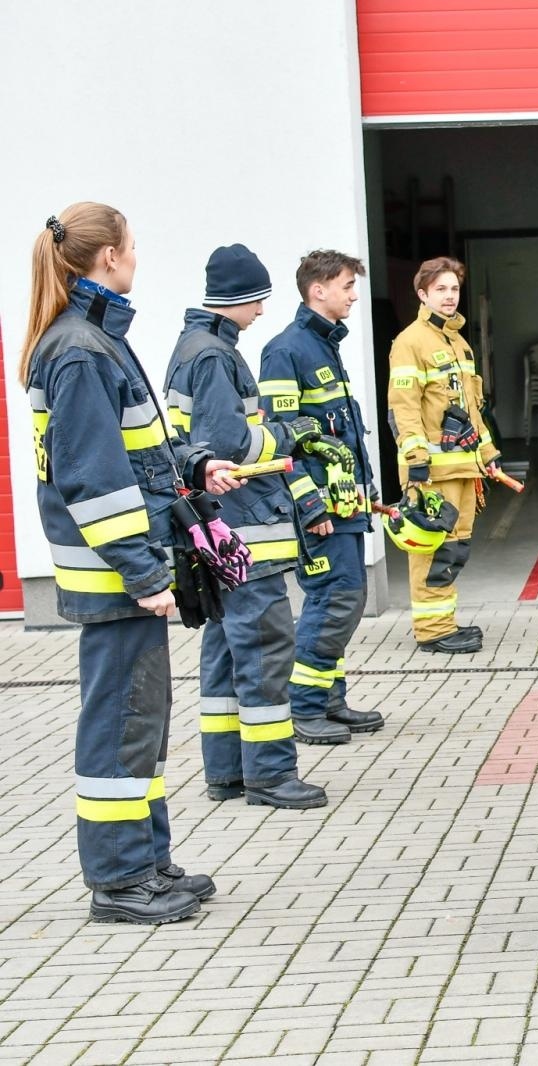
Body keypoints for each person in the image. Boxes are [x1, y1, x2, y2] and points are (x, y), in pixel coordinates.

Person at [22, 203, 242, 923]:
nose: (138, 255)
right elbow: (92, 477)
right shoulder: (82, 349)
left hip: (126, 576)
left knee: (140, 723)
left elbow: (137, 453)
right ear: (109, 256)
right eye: (134, 245)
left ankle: (147, 861)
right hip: (118, 580)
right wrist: (147, 577)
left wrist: (197, 465)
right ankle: (119, 882)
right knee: (121, 724)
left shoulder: (94, 340)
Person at [162, 244, 330, 809]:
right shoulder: (214, 356)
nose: (261, 310)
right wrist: (287, 434)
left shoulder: (192, 348)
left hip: (220, 533)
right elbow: (228, 444)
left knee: (226, 651)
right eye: (258, 299)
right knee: (263, 651)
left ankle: (228, 773)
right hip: (246, 532)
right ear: (238, 298)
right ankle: (271, 776)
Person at [259, 251, 386, 744]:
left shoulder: (323, 345)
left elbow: (341, 433)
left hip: (344, 504)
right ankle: (304, 706)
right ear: (318, 290)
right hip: (320, 510)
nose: (355, 295)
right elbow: (281, 439)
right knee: (334, 600)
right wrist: (308, 504)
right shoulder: (286, 351)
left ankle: (330, 700)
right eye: (348, 285)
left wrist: (365, 487)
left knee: (346, 601)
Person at [387, 256, 501, 654]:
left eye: (454, 289)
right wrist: (416, 460)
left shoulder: (458, 342)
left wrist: (488, 453)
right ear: (423, 294)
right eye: (441, 289)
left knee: (454, 547)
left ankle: (443, 623)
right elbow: (403, 406)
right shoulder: (410, 342)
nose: (450, 296)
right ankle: (432, 631)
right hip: (431, 471)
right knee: (431, 547)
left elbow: (471, 409)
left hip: (463, 467)